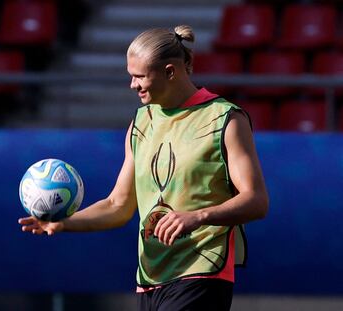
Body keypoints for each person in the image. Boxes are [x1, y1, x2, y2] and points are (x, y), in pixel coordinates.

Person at [18, 25, 269, 311]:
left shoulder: (225, 119)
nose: (132, 85)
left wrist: (199, 216)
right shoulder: (140, 123)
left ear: (171, 72)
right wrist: (63, 223)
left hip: (203, 272)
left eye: (139, 76)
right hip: (149, 278)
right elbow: (118, 205)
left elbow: (257, 201)